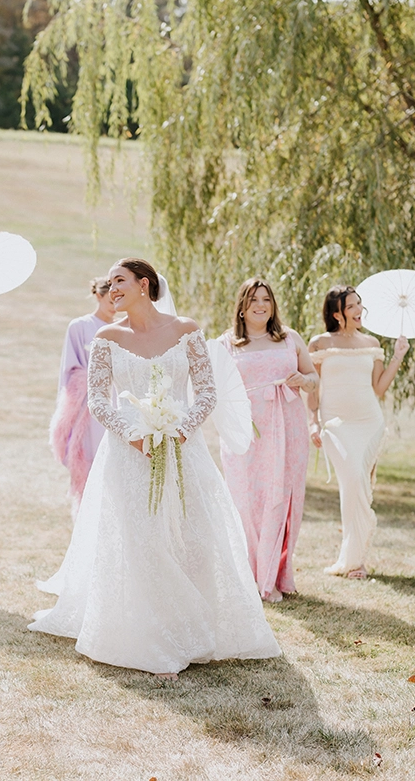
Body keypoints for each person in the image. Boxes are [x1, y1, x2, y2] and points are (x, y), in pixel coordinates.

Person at [29, 258, 280, 679]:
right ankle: (151, 638)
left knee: (193, 538)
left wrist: (178, 431)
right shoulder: (107, 337)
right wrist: (135, 435)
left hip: (185, 450)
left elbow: (205, 392)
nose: (112, 290)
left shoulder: (186, 330)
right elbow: (98, 401)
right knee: (141, 540)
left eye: (120, 282)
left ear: (144, 285)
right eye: (110, 284)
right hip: (128, 454)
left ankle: (195, 630)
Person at [218, 278, 318, 602]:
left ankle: (274, 574)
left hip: (288, 428)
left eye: (266, 299)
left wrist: (304, 379)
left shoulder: (290, 338)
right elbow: (215, 391)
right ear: (242, 308)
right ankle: (249, 573)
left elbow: (314, 378)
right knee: (246, 500)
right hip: (246, 431)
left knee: (282, 497)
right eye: (253, 300)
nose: (260, 305)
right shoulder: (227, 345)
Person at [308, 285, 409, 579]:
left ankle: (356, 559)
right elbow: (313, 387)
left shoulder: (371, 342)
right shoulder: (319, 344)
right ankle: (352, 558)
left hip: (369, 422)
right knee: (352, 477)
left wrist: (397, 356)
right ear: (337, 313)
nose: (359, 311)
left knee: (359, 486)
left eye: (360, 304)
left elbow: (378, 388)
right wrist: (312, 421)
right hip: (335, 424)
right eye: (352, 306)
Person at [49, 276, 115, 517]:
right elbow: (69, 372)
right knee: (88, 467)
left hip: (115, 407)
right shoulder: (80, 326)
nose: (115, 306)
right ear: (98, 296)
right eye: (110, 300)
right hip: (88, 411)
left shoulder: (124, 329)